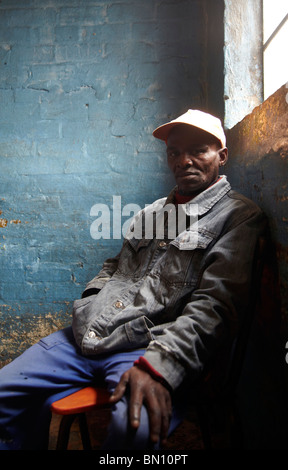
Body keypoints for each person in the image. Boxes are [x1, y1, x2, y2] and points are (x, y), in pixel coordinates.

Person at [0, 109, 267, 450]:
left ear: (222, 156)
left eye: (198, 150)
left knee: (134, 431)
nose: (184, 160)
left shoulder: (238, 217)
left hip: (150, 346)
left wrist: (159, 366)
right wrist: (92, 299)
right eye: (174, 151)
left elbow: (215, 307)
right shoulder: (152, 213)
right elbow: (116, 266)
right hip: (88, 335)